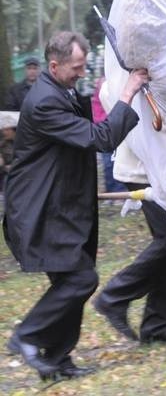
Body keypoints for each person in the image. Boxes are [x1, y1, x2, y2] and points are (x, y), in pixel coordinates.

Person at [2, 31, 149, 380]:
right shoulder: (44, 102)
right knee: (81, 278)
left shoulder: (60, 90)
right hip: (40, 210)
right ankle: (26, 336)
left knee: (71, 278)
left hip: (61, 205)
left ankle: (56, 359)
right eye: (77, 67)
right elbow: (101, 138)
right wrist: (128, 91)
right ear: (54, 65)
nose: (81, 73)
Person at [93, 125, 166, 344]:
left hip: (164, 164)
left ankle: (156, 325)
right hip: (145, 167)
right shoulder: (123, 88)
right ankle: (114, 296)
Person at [91, 76, 127, 193]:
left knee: (119, 161)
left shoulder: (116, 89)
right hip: (105, 129)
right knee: (108, 163)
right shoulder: (99, 94)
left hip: (114, 128)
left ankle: (119, 191)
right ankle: (112, 191)